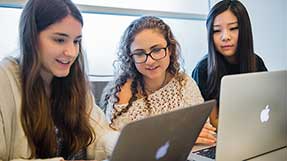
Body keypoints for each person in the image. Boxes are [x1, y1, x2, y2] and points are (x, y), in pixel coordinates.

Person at [0, 0, 118, 160]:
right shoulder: (5, 80)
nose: (71, 52)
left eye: (76, 41)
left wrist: (117, 143)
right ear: (31, 38)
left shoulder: (73, 80)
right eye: (59, 40)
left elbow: (99, 134)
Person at [100, 16, 216, 145]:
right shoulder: (121, 97)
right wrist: (178, 137)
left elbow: (205, 130)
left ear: (170, 49)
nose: (150, 60)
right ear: (130, 57)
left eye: (156, 50)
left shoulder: (184, 82)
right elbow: (123, 149)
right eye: (139, 53)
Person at [192, 0, 268, 128]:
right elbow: (212, 122)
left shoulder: (256, 62)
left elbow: (267, 106)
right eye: (216, 31)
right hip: (221, 138)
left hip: (257, 131)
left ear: (245, 30)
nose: (225, 37)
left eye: (233, 28)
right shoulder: (203, 70)